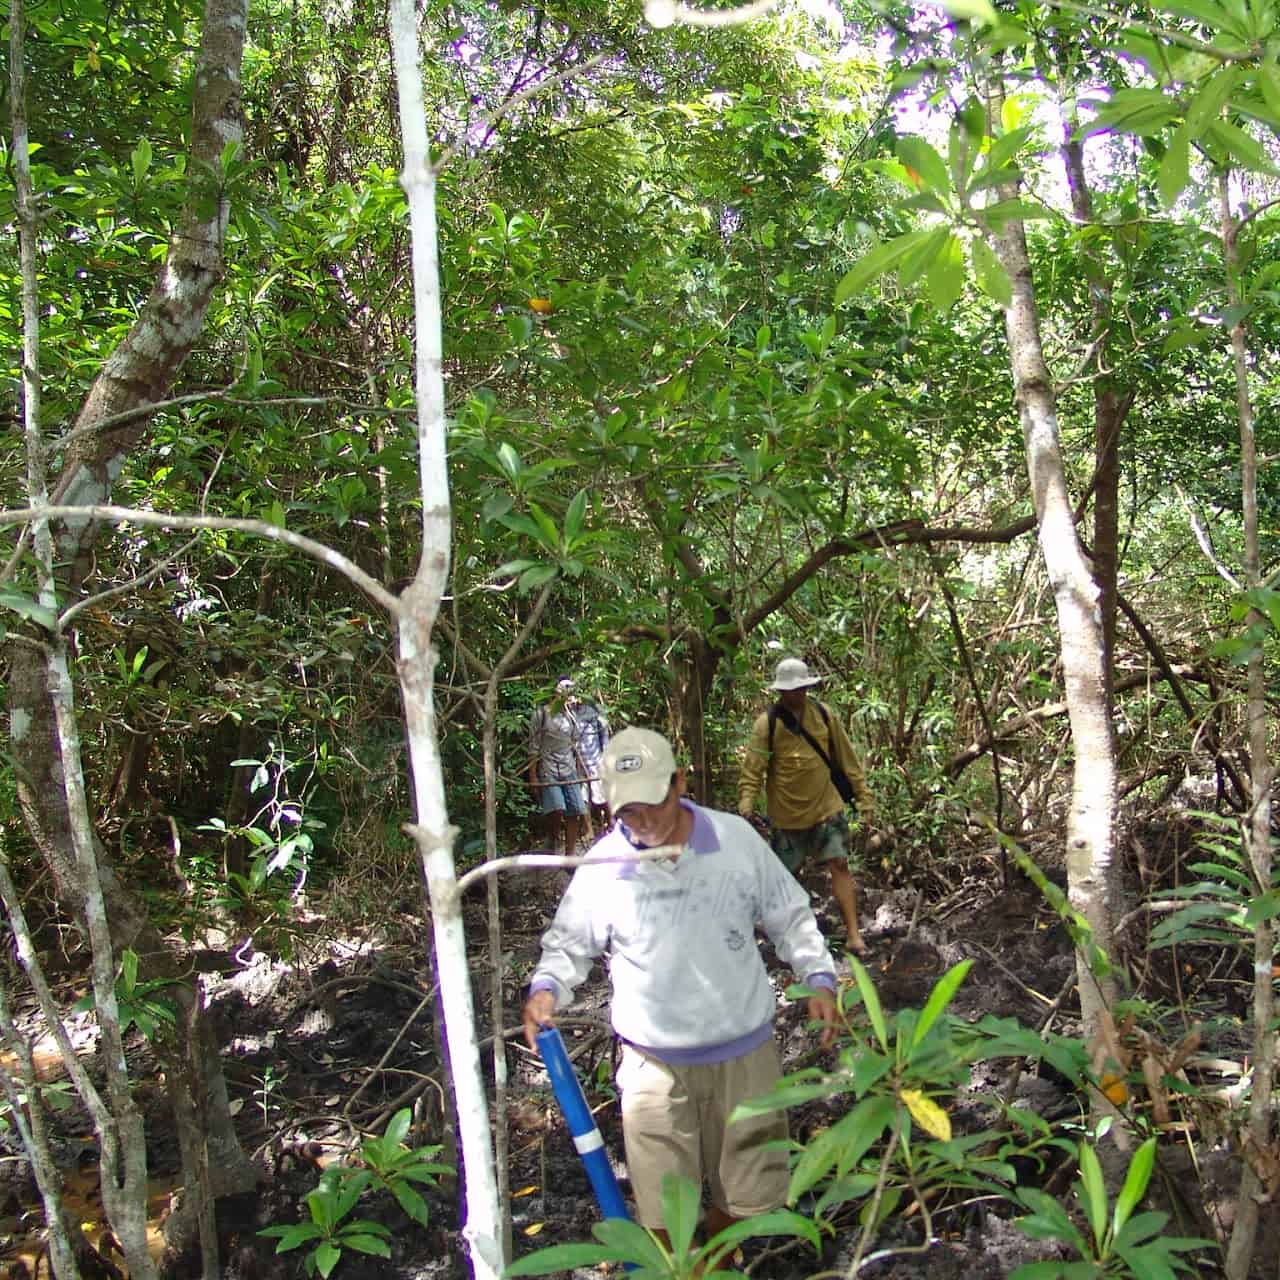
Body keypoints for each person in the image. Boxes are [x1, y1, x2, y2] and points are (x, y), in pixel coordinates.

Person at [522, 726, 838, 1245]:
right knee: (664, 1217)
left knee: (754, 1202)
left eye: (652, 804)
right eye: (628, 812)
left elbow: (789, 914)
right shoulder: (604, 866)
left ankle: (713, 1260)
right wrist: (546, 988)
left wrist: (819, 976)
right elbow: (568, 943)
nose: (643, 823)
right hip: (654, 1064)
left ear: (679, 783)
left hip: (745, 1056)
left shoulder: (734, 839)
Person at [738, 657, 877, 958]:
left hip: (827, 808)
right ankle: (790, 941)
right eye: (791, 689)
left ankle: (854, 935)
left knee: (839, 864)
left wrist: (864, 796)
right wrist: (747, 802)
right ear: (780, 691)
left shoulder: (825, 716)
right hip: (786, 817)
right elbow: (753, 768)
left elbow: (847, 759)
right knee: (785, 880)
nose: (796, 694)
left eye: (801, 688)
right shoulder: (768, 724)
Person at [528, 677, 588, 853]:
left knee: (576, 809)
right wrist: (533, 776)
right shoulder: (542, 714)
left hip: (568, 768)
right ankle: (553, 837)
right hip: (549, 767)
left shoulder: (572, 717)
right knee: (557, 807)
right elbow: (533, 746)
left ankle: (569, 854)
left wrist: (579, 771)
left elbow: (575, 745)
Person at [571, 691, 611, 834]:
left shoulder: (595, 709)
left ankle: (611, 824)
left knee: (602, 794)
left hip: (595, 759)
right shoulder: (568, 711)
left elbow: (604, 736)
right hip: (576, 762)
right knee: (582, 797)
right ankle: (589, 830)